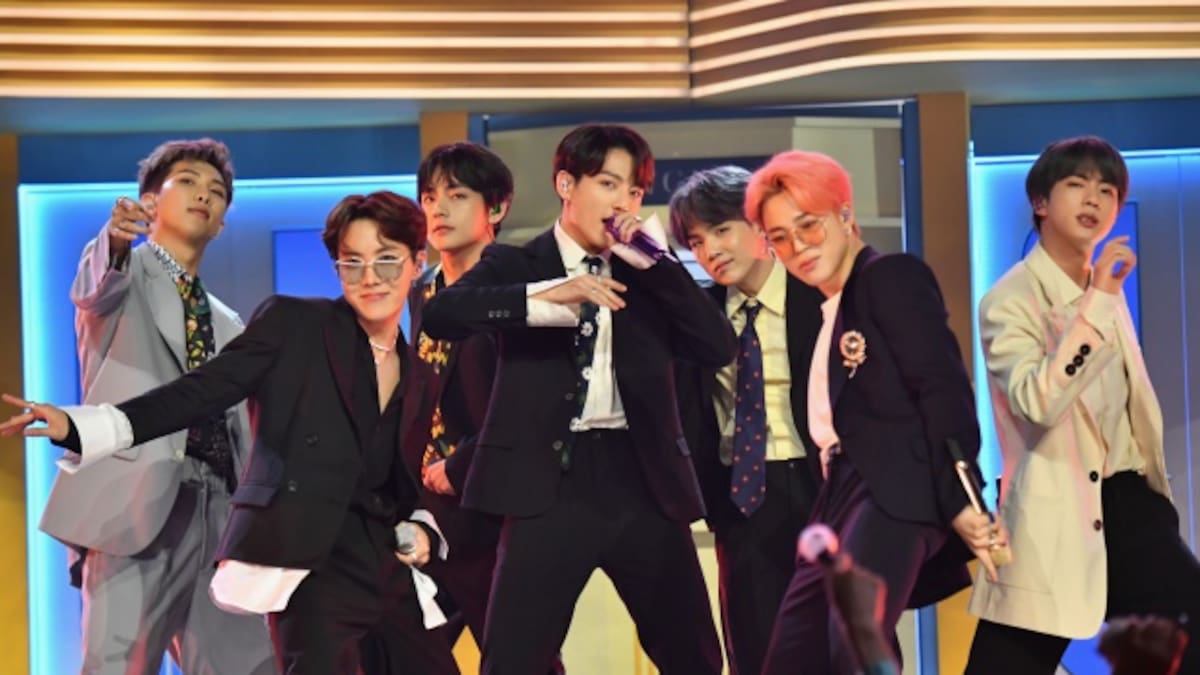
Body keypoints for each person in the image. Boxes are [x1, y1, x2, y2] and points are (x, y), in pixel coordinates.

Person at [5, 191, 458, 674]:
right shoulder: (297, 324)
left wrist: (422, 527)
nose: (370, 278)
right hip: (307, 562)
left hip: (383, 563)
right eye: (353, 263)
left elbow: (401, 482)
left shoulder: (419, 374)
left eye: (386, 260)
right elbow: (202, 390)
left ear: (417, 261)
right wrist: (86, 425)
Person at [419, 123, 733, 675]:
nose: (623, 202)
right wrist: (544, 297)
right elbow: (441, 315)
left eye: (634, 190)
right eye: (608, 184)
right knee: (512, 662)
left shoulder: (649, 274)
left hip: (642, 483)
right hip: (546, 487)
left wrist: (659, 264)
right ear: (566, 185)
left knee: (694, 659)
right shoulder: (519, 264)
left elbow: (717, 345)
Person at [745, 150, 1005, 675]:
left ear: (845, 215)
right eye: (780, 237)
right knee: (794, 655)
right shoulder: (831, 308)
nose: (798, 247)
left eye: (809, 225)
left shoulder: (890, 276)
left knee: (853, 644)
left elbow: (943, 388)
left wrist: (962, 496)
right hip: (840, 496)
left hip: (891, 487)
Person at [33, 137, 276, 675]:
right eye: (187, 182)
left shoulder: (230, 322)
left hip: (220, 511)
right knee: (119, 664)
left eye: (216, 192)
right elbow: (94, 284)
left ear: (222, 224)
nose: (203, 195)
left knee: (250, 665)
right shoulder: (122, 275)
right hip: (136, 502)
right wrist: (116, 238)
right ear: (149, 202)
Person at [966, 135, 1200, 674]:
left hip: (1130, 507)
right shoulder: (1010, 300)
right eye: (1076, 185)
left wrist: (1155, 503)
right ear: (1040, 202)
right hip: (1053, 513)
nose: (1093, 198)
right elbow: (1037, 402)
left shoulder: (1103, 292)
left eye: (1107, 189)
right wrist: (1097, 302)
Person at [668, 165, 823, 675]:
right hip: (743, 495)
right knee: (757, 653)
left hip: (822, 487)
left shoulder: (820, 298)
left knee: (845, 643)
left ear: (759, 225)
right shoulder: (699, 315)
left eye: (721, 230)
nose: (710, 250)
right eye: (696, 241)